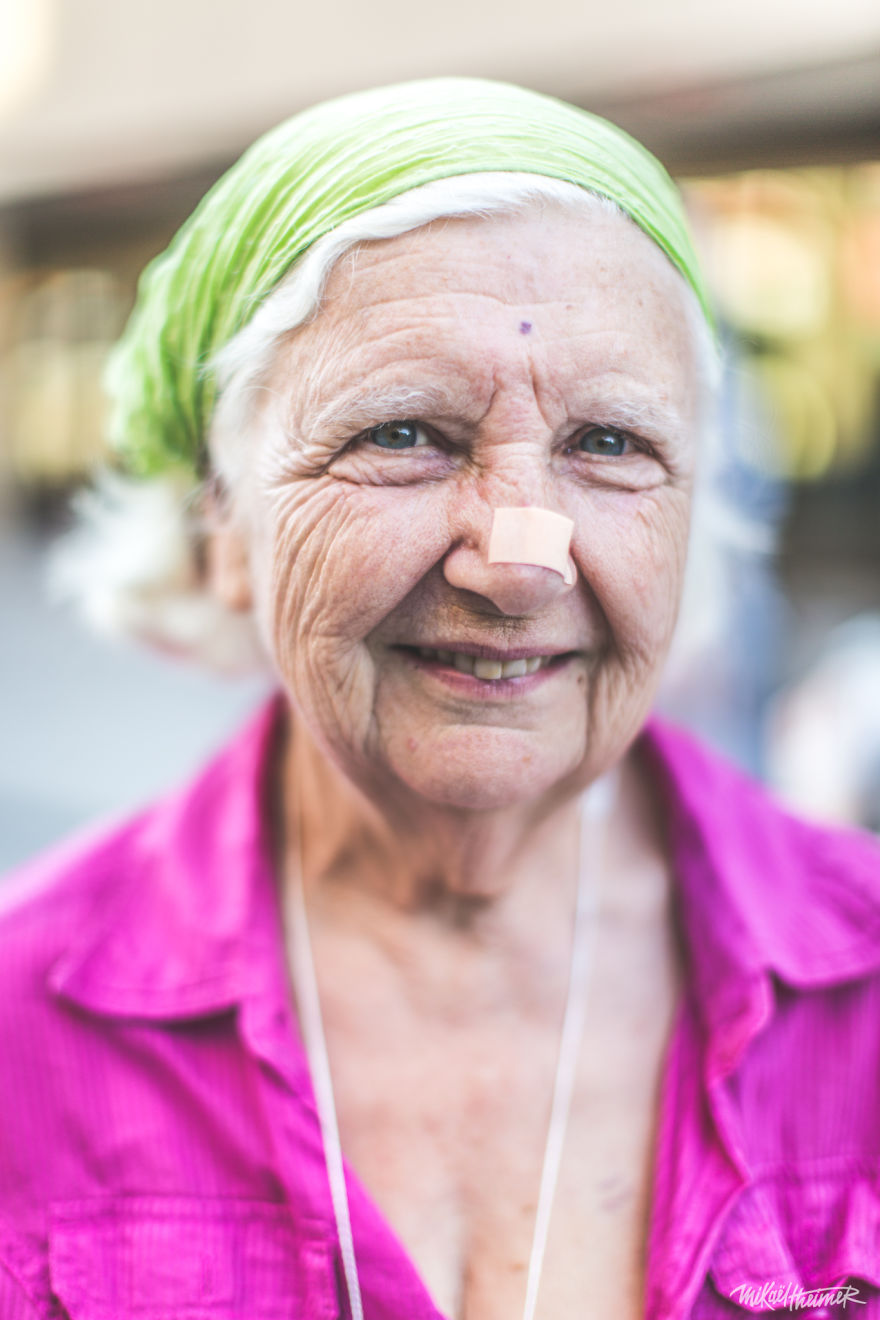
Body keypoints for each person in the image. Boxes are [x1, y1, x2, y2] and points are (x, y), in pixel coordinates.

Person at [2, 78, 879, 1320]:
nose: (520, 559)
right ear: (219, 525)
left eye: (612, 444)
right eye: (406, 432)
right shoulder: (17, 1031)